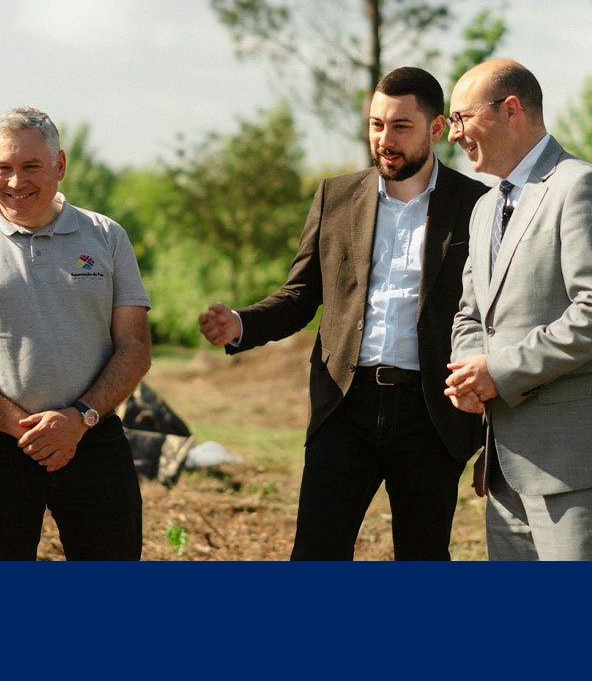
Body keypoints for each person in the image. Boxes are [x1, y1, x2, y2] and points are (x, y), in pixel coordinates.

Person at [198, 67, 489, 560]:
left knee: (423, 558)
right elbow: (299, 296)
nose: (384, 139)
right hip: (344, 406)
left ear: (436, 129)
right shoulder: (335, 197)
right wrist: (241, 323)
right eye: (376, 124)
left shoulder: (476, 205)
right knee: (315, 555)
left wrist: (488, 436)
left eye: (401, 126)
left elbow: (491, 318)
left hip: (431, 416)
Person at [443, 59, 592, 561]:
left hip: (580, 462)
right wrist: (471, 374)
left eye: (461, 118)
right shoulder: (484, 208)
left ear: (510, 110)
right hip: (505, 466)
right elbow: (471, 312)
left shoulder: (583, 186)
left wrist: (498, 372)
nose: (452, 135)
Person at [0, 107, 150, 561]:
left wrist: (78, 420)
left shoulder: (107, 237)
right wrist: (23, 427)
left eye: (31, 166)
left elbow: (135, 347)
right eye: (3, 168)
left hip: (93, 436)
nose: (16, 181)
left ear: (60, 165)